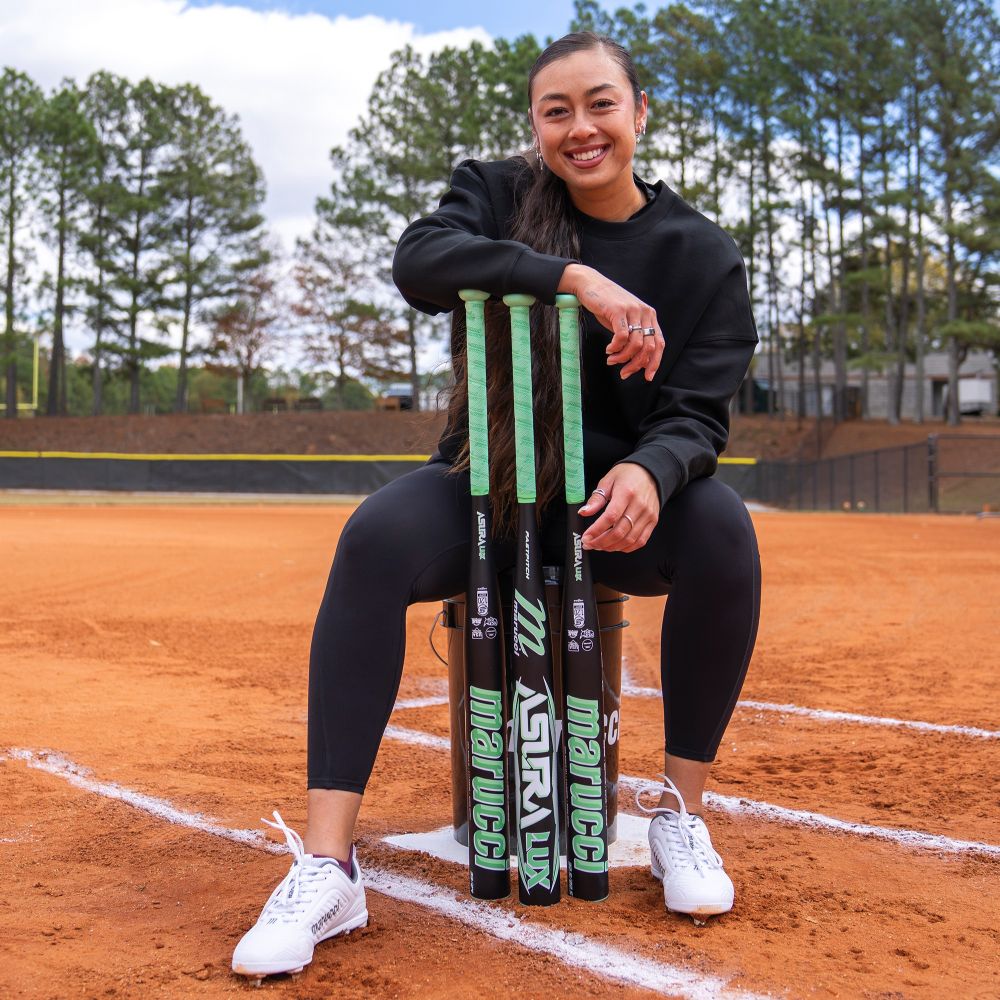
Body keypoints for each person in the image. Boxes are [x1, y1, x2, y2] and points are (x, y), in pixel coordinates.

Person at [232, 30, 761, 981]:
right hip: (493, 490)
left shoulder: (701, 253)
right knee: (373, 539)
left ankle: (680, 817)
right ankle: (328, 865)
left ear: (640, 112)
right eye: (556, 111)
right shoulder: (499, 193)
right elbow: (422, 262)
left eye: (601, 103)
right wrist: (574, 279)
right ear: (536, 127)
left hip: (614, 508)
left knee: (723, 526)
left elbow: (698, 412)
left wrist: (653, 471)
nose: (581, 128)